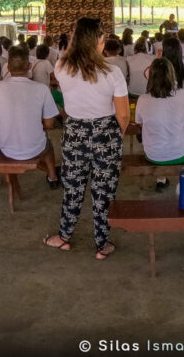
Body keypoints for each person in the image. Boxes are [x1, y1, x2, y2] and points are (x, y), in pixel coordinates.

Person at [45, 17, 129, 259]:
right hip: (106, 134)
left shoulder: (61, 67)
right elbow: (123, 115)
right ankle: (102, 245)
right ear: (99, 40)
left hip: (74, 134)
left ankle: (63, 236)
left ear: (75, 38)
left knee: (73, 187)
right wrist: (113, 136)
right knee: (104, 192)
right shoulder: (113, 72)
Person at [0, 47, 60, 188]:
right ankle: (53, 177)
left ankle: (51, 174)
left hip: (6, 147)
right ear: (29, 67)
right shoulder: (42, 89)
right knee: (48, 146)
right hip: (35, 147)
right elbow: (49, 124)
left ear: (8, 68)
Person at [135, 58, 184, 193]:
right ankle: (183, 179)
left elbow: (139, 123)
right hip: (181, 152)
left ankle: (161, 179)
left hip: (154, 154)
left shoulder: (142, 99)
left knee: (156, 136)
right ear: (172, 75)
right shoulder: (181, 93)